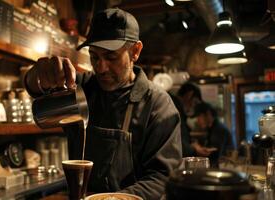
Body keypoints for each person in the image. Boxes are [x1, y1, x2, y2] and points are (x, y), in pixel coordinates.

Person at [25, 8, 182, 199]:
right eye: (94, 57)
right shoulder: (82, 88)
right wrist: (38, 76)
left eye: (111, 57)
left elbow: (163, 178)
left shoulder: (158, 104)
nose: (101, 67)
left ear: (135, 51)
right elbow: (37, 93)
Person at [169, 82, 209, 157]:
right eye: (195, 102)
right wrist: (194, 150)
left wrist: (192, 144)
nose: (193, 106)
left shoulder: (177, 109)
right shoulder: (174, 108)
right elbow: (174, 143)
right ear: (189, 95)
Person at [192, 101, 231, 167]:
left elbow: (215, 155)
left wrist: (196, 147)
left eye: (199, 116)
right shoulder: (212, 128)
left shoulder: (219, 129)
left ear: (208, 114)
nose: (197, 120)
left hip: (224, 166)